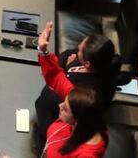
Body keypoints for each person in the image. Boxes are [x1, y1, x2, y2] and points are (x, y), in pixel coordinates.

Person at [34, 21, 121, 138]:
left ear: (87, 64)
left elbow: (53, 87)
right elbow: (66, 54)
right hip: (49, 108)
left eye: (80, 49)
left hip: (55, 123)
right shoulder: (93, 58)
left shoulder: (86, 94)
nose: (77, 48)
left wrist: (62, 69)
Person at [36, 30, 109, 158]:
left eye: (65, 109)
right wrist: (43, 51)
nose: (60, 106)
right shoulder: (77, 100)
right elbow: (57, 78)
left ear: (78, 119)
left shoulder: (86, 155)